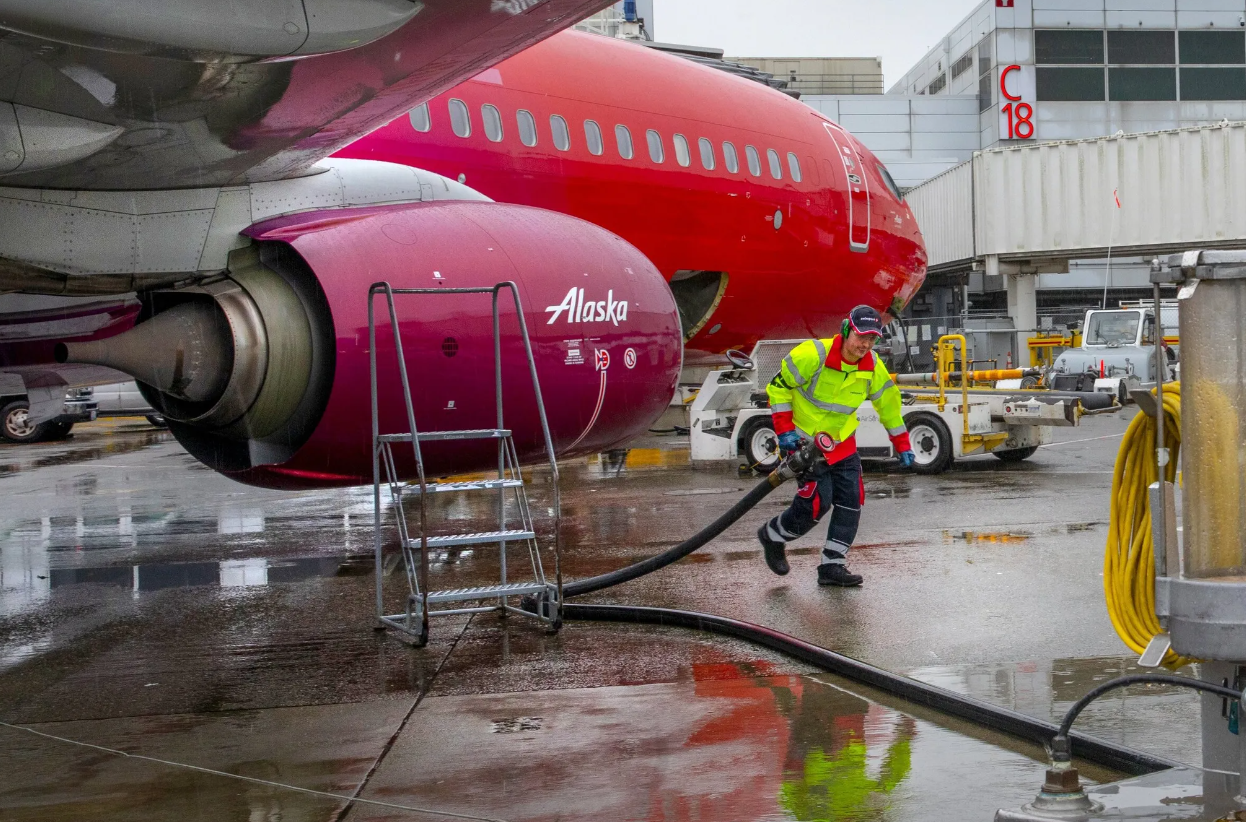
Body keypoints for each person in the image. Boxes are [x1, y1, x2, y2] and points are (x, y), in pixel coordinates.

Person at [757, 305, 915, 587]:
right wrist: (785, 433)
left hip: (841, 443)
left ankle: (832, 566)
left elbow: (888, 407)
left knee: (852, 502)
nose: (865, 344)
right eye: (861, 336)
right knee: (817, 503)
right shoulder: (812, 355)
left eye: (872, 339)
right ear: (846, 330)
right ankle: (773, 535)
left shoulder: (872, 367)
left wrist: (902, 443)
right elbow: (778, 388)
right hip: (803, 443)